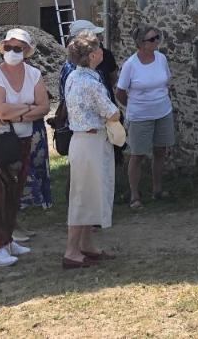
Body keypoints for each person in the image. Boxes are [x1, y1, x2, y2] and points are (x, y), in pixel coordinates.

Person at [0, 28, 49, 266]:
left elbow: (44, 107)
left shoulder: (34, 74)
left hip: (21, 138)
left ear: (26, 51)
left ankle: (6, 240)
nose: (12, 52)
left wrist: (16, 113)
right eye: (8, 47)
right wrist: (28, 109)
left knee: (14, 192)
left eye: (18, 48)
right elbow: (0, 111)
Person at [62, 31, 122, 268]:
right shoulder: (90, 83)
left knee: (88, 194)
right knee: (82, 196)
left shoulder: (74, 77)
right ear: (93, 55)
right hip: (91, 140)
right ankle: (71, 250)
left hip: (83, 140)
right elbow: (112, 112)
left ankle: (86, 245)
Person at [115, 24, 175, 208]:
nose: (156, 41)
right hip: (140, 116)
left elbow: (166, 83)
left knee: (160, 151)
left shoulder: (161, 59)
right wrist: (135, 106)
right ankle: (134, 195)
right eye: (152, 39)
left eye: (157, 37)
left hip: (163, 112)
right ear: (140, 43)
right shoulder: (130, 65)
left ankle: (157, 189)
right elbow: (120, 92)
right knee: (138, 154)